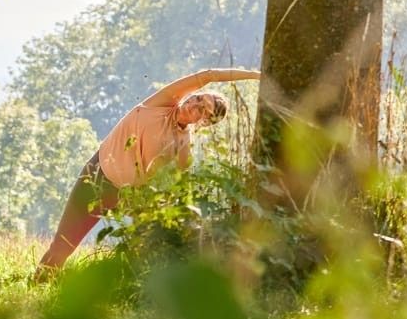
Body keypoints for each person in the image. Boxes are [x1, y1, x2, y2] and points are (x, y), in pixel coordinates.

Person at [37, 67, 261, 271]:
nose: (194, 104)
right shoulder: (163, 102)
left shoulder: (183, 148)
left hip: (125, 197)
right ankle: (39, 286)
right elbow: (209, 75)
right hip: (97, 175)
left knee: (143, 254)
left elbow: (175, 192)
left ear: (203, 122)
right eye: (199, 98)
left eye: (201, 110)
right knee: (62, 246)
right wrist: (256, 75)